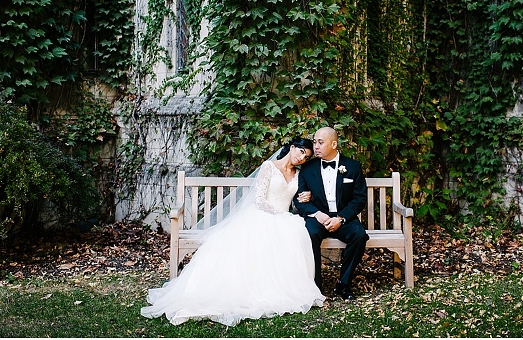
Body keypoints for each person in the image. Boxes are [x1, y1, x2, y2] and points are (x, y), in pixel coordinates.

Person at [140, 138, 325, 326]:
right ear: (292, 147)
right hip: (262, 215)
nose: (302, 158)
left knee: (296, 233)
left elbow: (294, 203)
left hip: (284, 218)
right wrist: (280, 215)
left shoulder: (299, 175)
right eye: (301, 152)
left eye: (306, 157)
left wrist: (305, 197)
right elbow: (259, 200)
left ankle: (284, 287)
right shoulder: (269, 167)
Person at [293, 126, 368, 301]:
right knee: (310, 234)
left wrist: (340, 219)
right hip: (318, 217)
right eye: (315, 142)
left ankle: (343, 284)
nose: (316, 146)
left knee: (359, 235)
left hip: (343, 216)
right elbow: (299, 200)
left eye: (320, 142)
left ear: (334, 144)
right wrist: (317, 214)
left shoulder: (353, 167)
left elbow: (359, 199)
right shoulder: (307, 168)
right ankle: (315, 287)